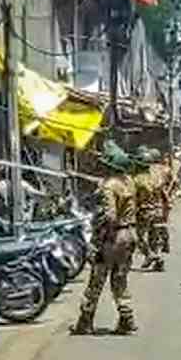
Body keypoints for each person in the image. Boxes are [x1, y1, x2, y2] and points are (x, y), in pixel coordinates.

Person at [71, 141, 140, 335]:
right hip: (129, 234)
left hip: (113, 236)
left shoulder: (109, 186)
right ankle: (127, 318)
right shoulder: (128, 182)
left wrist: (99, 238)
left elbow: (109, 216)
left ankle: (85, 321)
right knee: (120, 279)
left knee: (97, 279)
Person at [134, 147, 172, 272]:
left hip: (144, 212)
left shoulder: (137, 180)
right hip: (158, 210)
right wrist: (166, 208)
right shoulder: (156, 178)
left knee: (139, 237)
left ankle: (150, 255)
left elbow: (134, 198)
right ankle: (159, 260)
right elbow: (164, 194)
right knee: (155, 238)